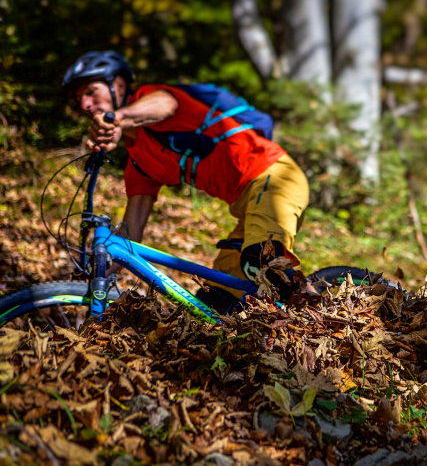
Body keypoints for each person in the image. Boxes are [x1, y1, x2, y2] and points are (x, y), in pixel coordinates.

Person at [61, 50, 310, 310]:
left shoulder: (152, 98)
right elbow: (131, 233)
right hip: (247, 206)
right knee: (215, 306)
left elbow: (165, 105)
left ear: (119, 85)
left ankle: (324, 319)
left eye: (91, 92)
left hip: (276, 177)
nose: (85, 105)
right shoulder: (139, 160)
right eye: (80, 99)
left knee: (263, 260)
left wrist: (118, 119)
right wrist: (98, 269)